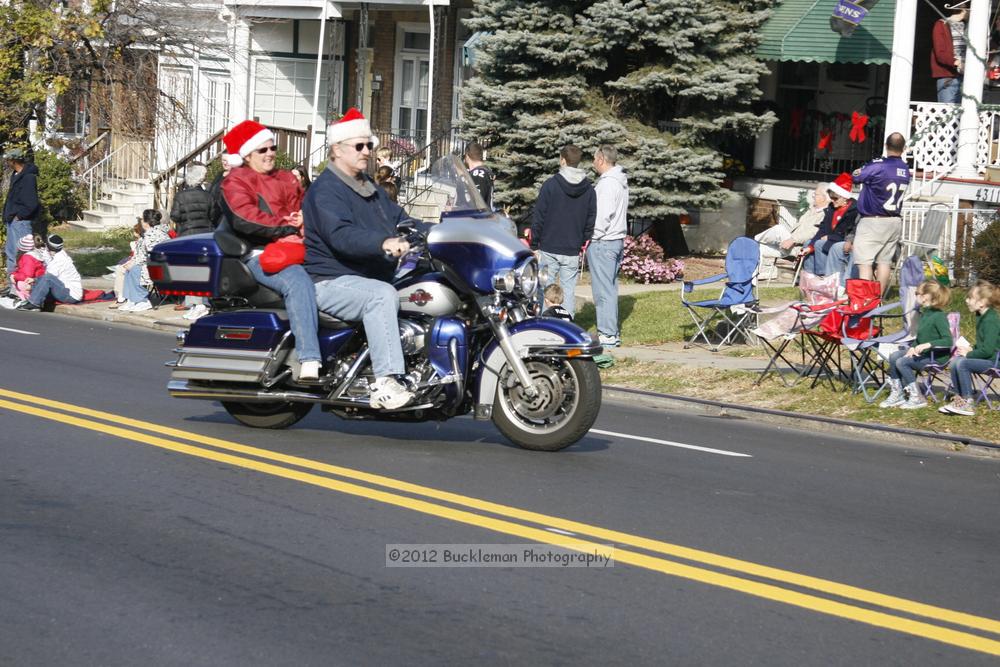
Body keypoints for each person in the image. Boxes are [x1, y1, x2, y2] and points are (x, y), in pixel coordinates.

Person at [303, 107, 416, 409]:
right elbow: (341, 235)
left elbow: (403, 220)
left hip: (365, 275)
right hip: (329, 279)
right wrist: (384, 242)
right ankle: (385, 381)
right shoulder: (326, 190)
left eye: (370, 145)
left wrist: (445, 228)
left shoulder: (371, 189)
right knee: (380, 297)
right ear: (337, 150)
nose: (367, 151)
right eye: (359, 145)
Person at [221, 119, 322, 381]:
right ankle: (309, 358)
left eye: (272, 148)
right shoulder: (236, 181)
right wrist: (285, 227)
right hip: (261, 254)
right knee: (298, 282)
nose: (270, 154)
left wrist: (304, 218)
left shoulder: (286, 177)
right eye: (262, 150)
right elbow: (245, 217)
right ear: (246, 154)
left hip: (297, 246)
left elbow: (306, 206)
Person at [530, 145, 596, 316]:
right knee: (568, 291)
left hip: (549, 246)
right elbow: (591, 219)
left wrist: (534, 243)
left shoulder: (550, 185)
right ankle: (566, 325)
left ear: (562, 160)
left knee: (545, 289)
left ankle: (545, 325)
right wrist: (583, 241)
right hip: (572, 248)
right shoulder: (589, 189)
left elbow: (539, 216)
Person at [852, 132, 912, 294]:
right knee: (884, 262)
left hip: (873, 221)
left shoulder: (878, 165)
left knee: (864, 263)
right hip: (894, 221)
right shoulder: (905, 169)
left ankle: (866, 300)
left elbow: (856, 177)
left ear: (886, 146)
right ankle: (878, 299)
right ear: (904, 149)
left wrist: (859, 171)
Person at [879, 280, 953, 410]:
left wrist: (928, 345)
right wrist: (913, 347)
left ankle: (917, 397)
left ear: (925, 297)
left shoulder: (939, 316)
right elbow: (921, 338)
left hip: (936, 357)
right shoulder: (925, 314)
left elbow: (948, 341)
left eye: (916, 293)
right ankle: (898, 393)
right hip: (925, 353)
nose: (915, 296)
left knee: (902, 362)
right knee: (895, 356)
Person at [588, 144, 629, 347]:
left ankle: (607, 334)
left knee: (602, 291)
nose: (593, 163)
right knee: (610, 289)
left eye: (595, 159)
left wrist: (591, 237)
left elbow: (602, 215)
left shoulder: (607, 184)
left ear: (602, 159)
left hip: (603, 241)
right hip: (616, 241)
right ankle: (611, 332)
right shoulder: (620, 181)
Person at [940, 281, 1000, 416]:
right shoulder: (981, 316)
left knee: (963, 363)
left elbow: (988, 351)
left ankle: (968, 402)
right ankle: (959, 399)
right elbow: (983, 346)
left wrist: (970, 353)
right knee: (955, 361)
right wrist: (970, 349)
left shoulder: (991, 320)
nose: (966, 300)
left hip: (995, 360)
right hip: (989, 358)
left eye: (970, 298)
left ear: (981, 302)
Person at [755, 184, 828, 279]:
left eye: (816, 194)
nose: (813, 196)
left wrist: (792, 239)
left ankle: (753, 239)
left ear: (824, 197)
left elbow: (813, 233)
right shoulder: (811, 210)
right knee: (757, 247)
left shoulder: (825, 214)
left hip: (797, 246)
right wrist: (789, 239)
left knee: (779, 229)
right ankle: (768, 270)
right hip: (787, 244)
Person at [802, 173, 858, 278]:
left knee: (819, 244)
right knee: (810, 243)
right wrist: (810, 247)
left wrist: (830, 237)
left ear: (844, 197)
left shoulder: (854, 210)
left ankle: (825, 277)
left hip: (845, 242)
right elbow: (823, 229)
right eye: (831, 197)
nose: (832, 200)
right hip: (831, 240)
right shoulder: (832, 208)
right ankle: (809, 277)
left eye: (835, 198)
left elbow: (849, 233)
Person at [118, 209, 171, 312]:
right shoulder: (151, 232)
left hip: (159, 267)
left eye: (142, 219)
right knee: (129, 269)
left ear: (146, 222)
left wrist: (134, 263)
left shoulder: (154, 235)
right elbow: (141, 254)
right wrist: (132, 261)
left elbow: (152, 255)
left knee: (134, 270)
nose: (141, 221)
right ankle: (132, 299)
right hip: (151, 264)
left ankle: (142, 300)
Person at [3, 148, 40, 291]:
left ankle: (23, 287)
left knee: (23, 255)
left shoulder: (28, 177)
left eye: (8, 160)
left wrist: (20, 216)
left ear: (14, 161)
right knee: (11, 253)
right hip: (12, 220)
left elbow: (32, 203)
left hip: (21, 222)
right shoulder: (16, 174)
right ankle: (13, 286)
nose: (7, 162)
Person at [16, 235, 82, 311]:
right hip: (65, 289)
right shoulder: (60, 254)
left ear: (48, 246)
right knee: (45, 278)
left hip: (70, 295)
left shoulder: (59, 261)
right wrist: (34, 280)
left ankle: (34, 303)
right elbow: (49, 265)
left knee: (47, 278)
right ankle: (33, 299)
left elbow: (47, 279)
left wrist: (33, 284)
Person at [931, 2, 969, 104]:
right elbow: (940, 53)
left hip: (967, 77)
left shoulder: (970, 26)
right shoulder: (942, 24)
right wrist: (957, 63)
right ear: (965, 10)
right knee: (947, 112)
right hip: (949, 77)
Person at [170, 163, 216, 238]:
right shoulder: (208, 196)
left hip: (186, 233)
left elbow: (175, 216)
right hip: (206, 233)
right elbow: (213, 216)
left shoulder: (180, 196)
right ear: (201, 178)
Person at [9, 234, 46, 301]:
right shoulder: (36, 254)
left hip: (34, 282)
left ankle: (28, 299)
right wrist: (14, 274)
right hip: (38, 280)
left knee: (20, 283)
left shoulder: (28, 258)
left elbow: (27, 276)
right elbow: (21, 270)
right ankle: (24, 297)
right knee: (17, 281)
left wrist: (14, 276)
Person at [463, 141, 494, 210]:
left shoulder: (478, 174)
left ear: (467, 156)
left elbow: (476, 205)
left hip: (477, 219)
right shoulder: (485, 171)